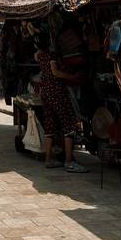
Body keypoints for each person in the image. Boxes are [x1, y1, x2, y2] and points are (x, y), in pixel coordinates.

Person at [34, 42, 88, 173]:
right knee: (68, 125)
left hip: (46, 92)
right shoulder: (52, 55)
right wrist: (72, 77)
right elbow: (55, 72)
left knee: (50, 125)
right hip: (57, 92)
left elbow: (37, 57)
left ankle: (48, 160)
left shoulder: (39, 55)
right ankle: (69, 161)